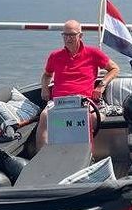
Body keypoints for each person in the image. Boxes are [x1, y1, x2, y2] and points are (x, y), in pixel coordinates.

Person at [36, 19, 120, 149]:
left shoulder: (93, 53)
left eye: (72, 35)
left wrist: (101, 86)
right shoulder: (55, 56)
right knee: (45, 116)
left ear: (80, 36)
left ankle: (86, 155)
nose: (68, 38)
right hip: (60, 102)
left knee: (89, 119)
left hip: (83, 101)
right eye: (65, 35)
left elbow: (114, 69)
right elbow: (47, 75)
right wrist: (44, 89)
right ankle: (41, 157)